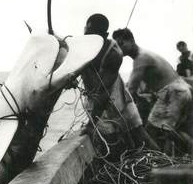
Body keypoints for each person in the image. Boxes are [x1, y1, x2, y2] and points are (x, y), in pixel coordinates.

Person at [80, 14, 158, 151]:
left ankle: (162, 165)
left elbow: (104, 93)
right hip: (98, 99)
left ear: (105, 35)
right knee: (119, 141)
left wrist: (91, 125)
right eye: (87, 33)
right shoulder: (82, 49)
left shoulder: (113, 53)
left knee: (139, 133)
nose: (90, 38)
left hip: (118, 98)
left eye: (94, 35)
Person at [112, 28, 192, 153]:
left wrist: (117, 110)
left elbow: (131, 89)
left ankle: (163, 160)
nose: (120, 48)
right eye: (117, 45)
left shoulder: (141, 59)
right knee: (166, 130)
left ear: (132, 40)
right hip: (181, 90)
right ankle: (176, 153)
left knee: (152, 130)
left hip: (173, 92)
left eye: (122, 43)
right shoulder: (145, 54)